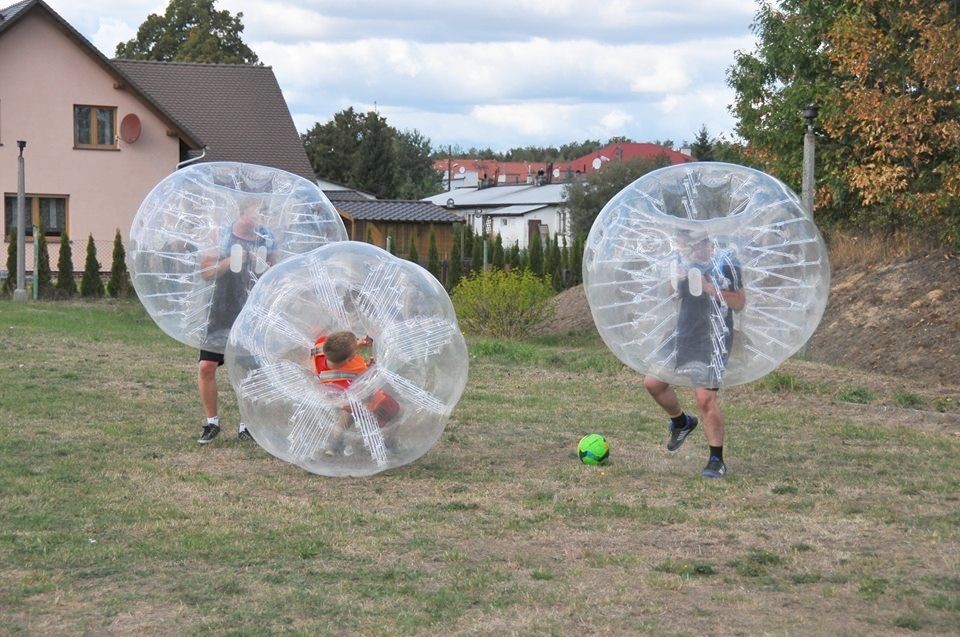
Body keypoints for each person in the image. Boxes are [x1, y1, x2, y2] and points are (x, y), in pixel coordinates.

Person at [645, 234, 745, 478]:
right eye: (690, 245)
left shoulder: (727, 263)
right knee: (653, 383)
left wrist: (710, 288)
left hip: (714, 337)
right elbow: (671, 295)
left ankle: (716, 459)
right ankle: (681, 422)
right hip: (684, 332)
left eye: (699, 244)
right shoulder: (682, 263)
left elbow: (740, 302)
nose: (694, 249)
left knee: (704, 398)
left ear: (709, 242)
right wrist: (676, 282)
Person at [196, 199, 276, 444]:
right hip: (221, 308)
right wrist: (229, 262)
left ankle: (247, 425)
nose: (261, 217)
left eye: (264, 213)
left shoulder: (267, 239)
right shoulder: (222, 236)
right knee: (206, 366)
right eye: (258, 211)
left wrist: (262, 265)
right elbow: (206, 273)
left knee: (249, 369)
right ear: (243, 213)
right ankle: (212, 423)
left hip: (251, 310)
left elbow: (275, 273)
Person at [314, 331, 400, 455]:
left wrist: (357, 344)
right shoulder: (357, 370)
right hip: (360, 396)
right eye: (354, 351)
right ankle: (387, 442)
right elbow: (369, 382)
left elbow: (335, 351)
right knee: (398, 410)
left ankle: (334, 444)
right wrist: (372, 367)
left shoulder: (319, 348)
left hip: (337, 395)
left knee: (347, 411)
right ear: (349, 358)